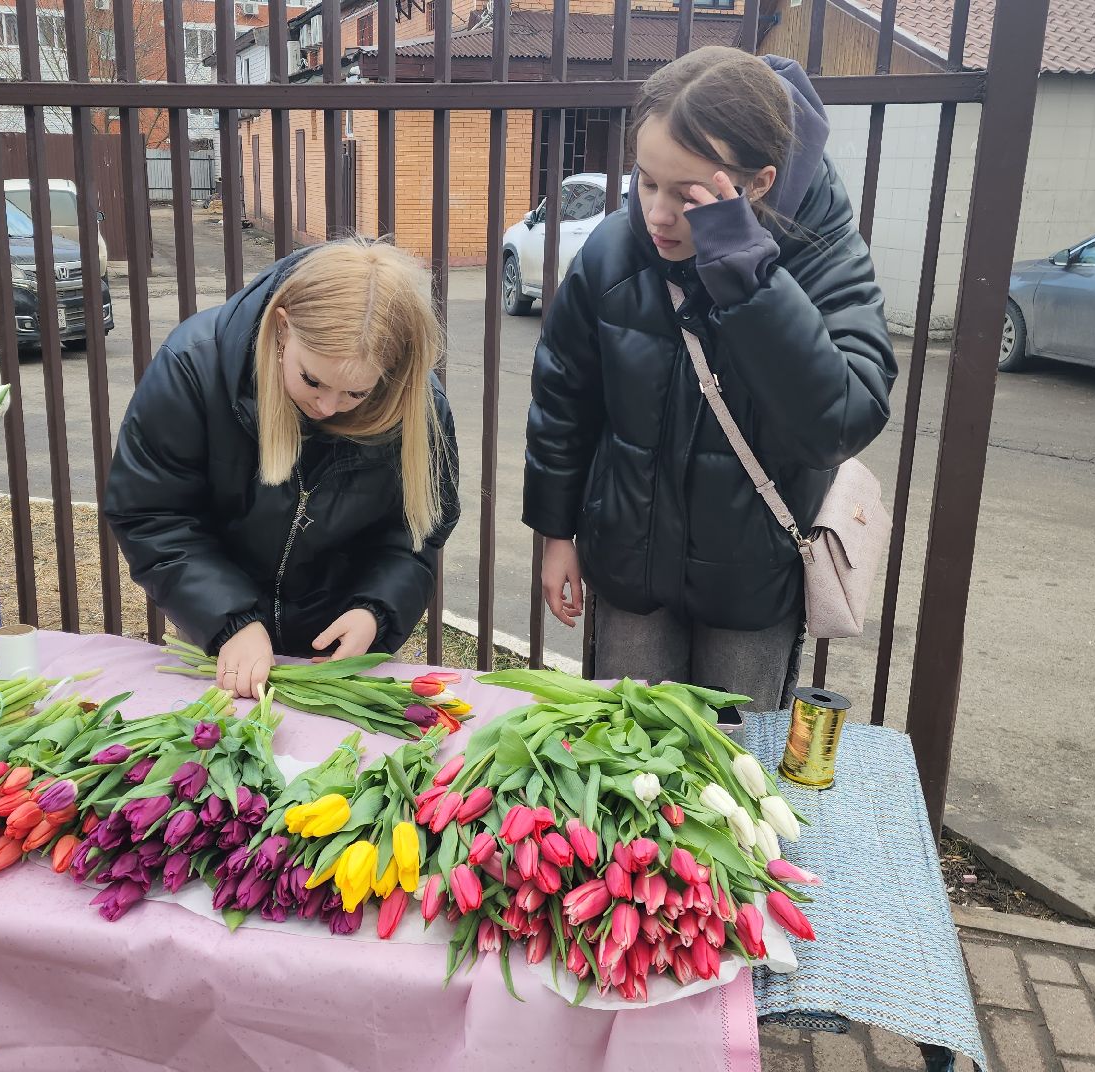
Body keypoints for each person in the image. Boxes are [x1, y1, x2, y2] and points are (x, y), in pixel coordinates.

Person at [524, 47, 896, 710]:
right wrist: (556, 536)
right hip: (630, 567)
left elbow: (839, 423)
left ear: (758, 182)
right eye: (647, 182)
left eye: (687, 194)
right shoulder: (611, 252)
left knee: (734, 760)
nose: (657, 214)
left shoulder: (820, 253)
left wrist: (751, 284)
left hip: (752, 580)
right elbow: (563, 402)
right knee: (627, 750)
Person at [105, 238, 459, 699]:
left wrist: (375, 610)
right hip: (219, 636)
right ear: (282, 328)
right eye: (312, 379)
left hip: (341, 647)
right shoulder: (193, 367)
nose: (327, 406)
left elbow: (417, 535)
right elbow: (151, 514)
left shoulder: (416, 404)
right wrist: (230, 619)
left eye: (357, 393)